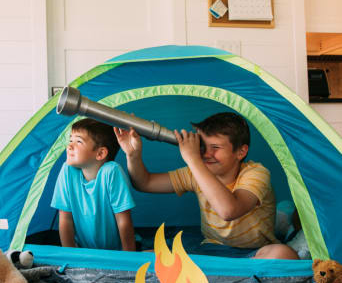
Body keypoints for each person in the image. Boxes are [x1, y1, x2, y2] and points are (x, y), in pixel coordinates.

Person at [114, 112, 299, 259]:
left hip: (252, 253)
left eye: (216, 148)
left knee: (284, 254)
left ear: (241, 152)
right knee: (147, 258)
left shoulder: (256, 173)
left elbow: (229, 211)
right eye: (203, 146)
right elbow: (144, 183)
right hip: (211, 250)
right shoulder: (197, 171)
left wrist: (193, 159)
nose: (207, 154)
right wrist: (133, 155)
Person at [51, 118, 136, 251]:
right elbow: (65, 219)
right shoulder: (67, 171)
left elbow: (123, 220)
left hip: (115, 251)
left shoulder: (111, 172)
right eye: (70, 140)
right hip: (83, 250)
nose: (70, 146)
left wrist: (129, 257)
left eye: (78, 141)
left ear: (100, 153)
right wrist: (70, 254)